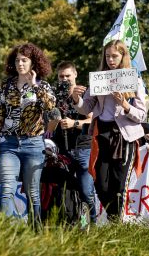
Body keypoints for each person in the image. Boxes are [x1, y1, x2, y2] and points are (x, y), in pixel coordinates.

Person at [71, 40, 147, 219]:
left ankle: (117, 223)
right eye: (108, 56)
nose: (111, 60)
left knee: (119, 185)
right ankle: (115, 219)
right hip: (101, 133)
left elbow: (142, 115)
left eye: (115, 56)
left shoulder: (133, 79)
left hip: (124, 136)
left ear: (123, 57)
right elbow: (86, 107)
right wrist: (76, 99)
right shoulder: (99, 78)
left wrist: (124, 104)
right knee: (101, 184)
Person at [0, 43, 55, 224]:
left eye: (24, 60)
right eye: (17, 60)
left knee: (32, 192)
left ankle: (36, 233)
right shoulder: (5, 85)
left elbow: (50, 107)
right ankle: (5, 234)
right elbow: (0, 112)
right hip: (8, 144)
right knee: (7, 189)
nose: (20, 63)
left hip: (34, 144)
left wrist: (34, 85)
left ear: (33, 63)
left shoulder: (43, 85)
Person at [46, 61, 96, 222]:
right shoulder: (53, 96)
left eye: (68, 75)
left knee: (86, 191)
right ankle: (70, 223)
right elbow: (50, 128)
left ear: (75, 74)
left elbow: (93, 120)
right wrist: (55, 117)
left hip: (83, 147)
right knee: (63, 191)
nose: (65, 79)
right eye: (61, 76)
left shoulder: (85, 92)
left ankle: (91, 225)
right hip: (62, 151)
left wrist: (74, 123)